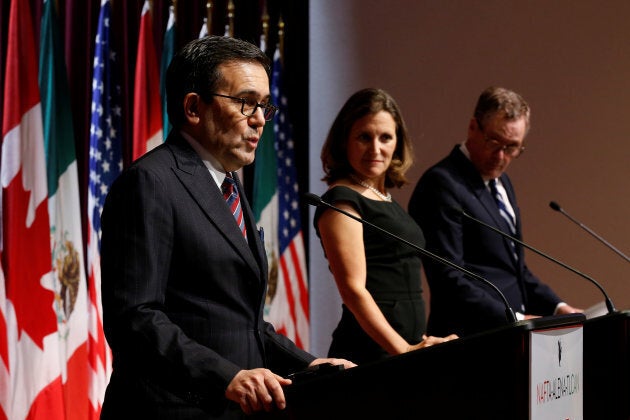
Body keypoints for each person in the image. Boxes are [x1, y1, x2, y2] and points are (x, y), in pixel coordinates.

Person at [100, 35, 355, 420]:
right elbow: (134, 318)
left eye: (264, 106)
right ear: (193, 107)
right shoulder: (151, 183)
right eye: (245, 103)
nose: (258, 119)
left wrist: (309, 365)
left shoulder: (228, 183)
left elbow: (242, 323)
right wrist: (224, 376)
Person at [408, 86, 582, 338]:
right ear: (472, 127)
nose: (500, 156)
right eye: (494, 142)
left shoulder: (502, 183)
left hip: (510, 338)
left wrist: (558, 307)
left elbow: (513, 270)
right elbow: (449, 278)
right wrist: (515, 318)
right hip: (471, 338)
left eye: (512, 147)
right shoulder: (443, 183)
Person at [313, 88, 457, 365]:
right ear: (345, 141)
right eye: (364, 137)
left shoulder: (383, 198)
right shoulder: (342, 201)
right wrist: (402, 349)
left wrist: (418, 342)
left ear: (398, 142)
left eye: (385, 138)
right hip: (371, 354)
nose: (376, 149)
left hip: (403, 348)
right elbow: (354, 290)